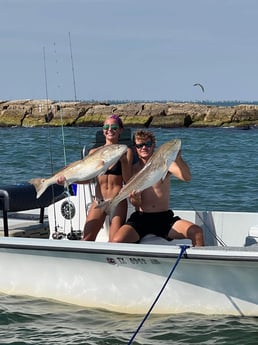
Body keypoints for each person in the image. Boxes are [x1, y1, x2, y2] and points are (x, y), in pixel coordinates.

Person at [111, 130, 204, 247]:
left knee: (197, 232)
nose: (144, 148)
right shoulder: (133, 170)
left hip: (164, 218)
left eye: (148, 144)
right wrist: (136, 199)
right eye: (140, 145)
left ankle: (194, 264)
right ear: (135, 148)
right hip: (141, 218)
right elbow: (135, 203)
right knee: (116, 241)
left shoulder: (166, 162)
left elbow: (187, 177)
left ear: (153, 145)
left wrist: (178, 159)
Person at [57, 114, 133, 241]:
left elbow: (127, 180)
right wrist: (68, 180)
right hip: (98, 200)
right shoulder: (93, 152)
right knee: (86, 239)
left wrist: (124, 162)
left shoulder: (125, 151)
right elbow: (88, 179)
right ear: (103, 130)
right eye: (106, 127)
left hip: (117, 201)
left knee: (115, 242)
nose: (110, 130)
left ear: (120, 130)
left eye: (114, 127)